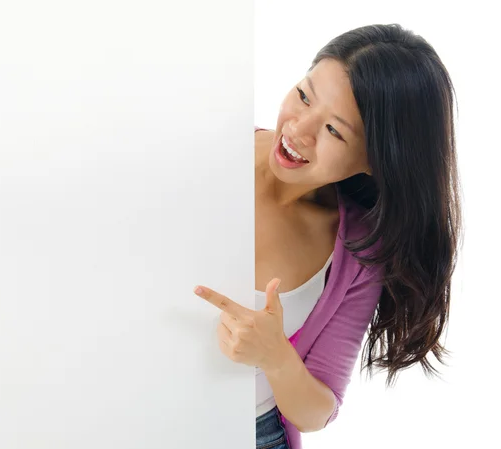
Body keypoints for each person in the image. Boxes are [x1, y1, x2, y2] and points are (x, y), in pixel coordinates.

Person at [193, 23, 462, 449]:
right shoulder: (202, 145)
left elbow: (318, 410)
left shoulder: (358, 250)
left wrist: (275, 356)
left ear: (376, 160)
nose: (299, 130)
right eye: (304, 95)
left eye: (335, 131)